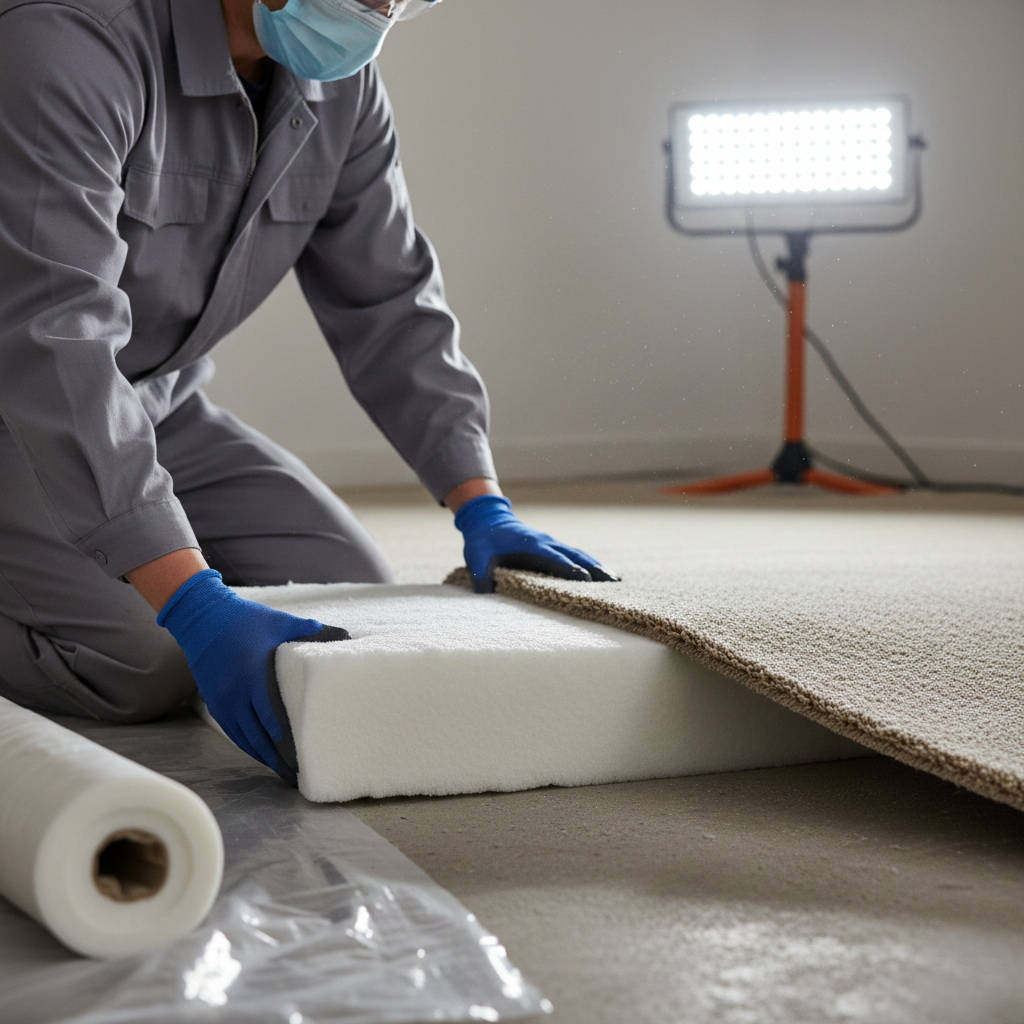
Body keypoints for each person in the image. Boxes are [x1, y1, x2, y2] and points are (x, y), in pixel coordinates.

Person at [0, 0, 618, 781]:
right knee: (141, 663)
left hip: (159, 403)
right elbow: (55, 341)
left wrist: (479, 500)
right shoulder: (66, 42)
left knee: (347, 591)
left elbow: (389, 298)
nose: (380, 10)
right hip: (24, 402)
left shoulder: (342, 90)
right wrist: (190, 602)